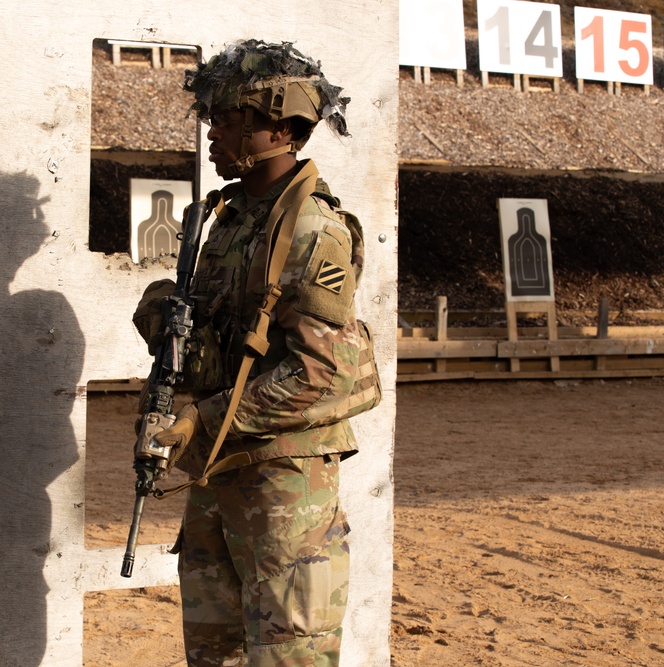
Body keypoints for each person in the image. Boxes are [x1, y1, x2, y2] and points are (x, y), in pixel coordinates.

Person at [133, 39, 378, 666]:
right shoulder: (230, 217)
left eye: (228, 119)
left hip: (283, 486)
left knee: (288, 656)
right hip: (220, 472)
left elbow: (319, 372)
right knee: (213, 655)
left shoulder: (312, 229)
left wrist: (203, 419)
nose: (212, 132)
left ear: (276, 126)